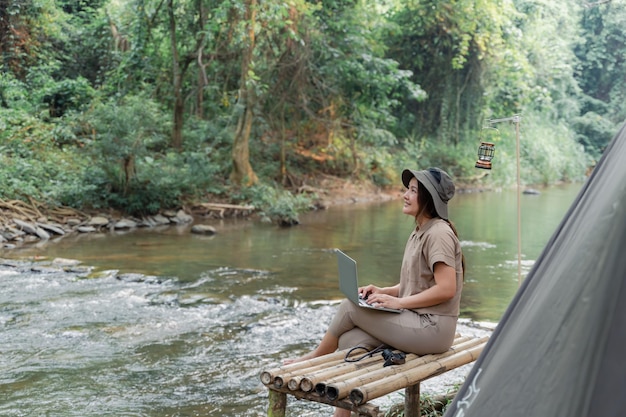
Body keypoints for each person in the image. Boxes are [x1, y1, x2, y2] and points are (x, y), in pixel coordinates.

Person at [286, 167, 464, 417]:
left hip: (433, 328)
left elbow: (446, 289)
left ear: (429, 198)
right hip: (417, 321)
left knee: (350, 306)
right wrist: (382, 291)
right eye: (407, 189)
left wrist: (398, 303)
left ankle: (311, 358)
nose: (405, 195)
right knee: (349, 343)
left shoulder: (438, 234)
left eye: (413, 191)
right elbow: (417, 283)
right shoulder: (420, 231)